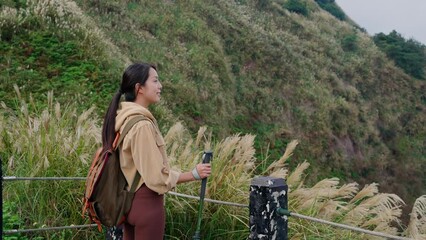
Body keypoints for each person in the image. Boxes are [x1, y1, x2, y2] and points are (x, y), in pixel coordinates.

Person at [101, 62, 212, 240]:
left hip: (127, 203)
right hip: (147, 205)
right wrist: (193, 174)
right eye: (155, 81)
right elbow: (156, 178)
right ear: (140, 88)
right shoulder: (142, 125)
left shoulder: (121, 118)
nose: (160, 86)